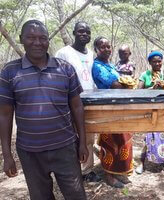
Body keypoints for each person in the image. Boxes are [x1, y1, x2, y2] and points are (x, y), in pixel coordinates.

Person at [0, 20, 88, 200]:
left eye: (43, 38)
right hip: (30, 152)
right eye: (31, 38)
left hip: (65, 147)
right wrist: (7, 155)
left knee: (76, 195)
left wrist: (82, 143)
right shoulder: (9, 72)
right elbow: (5, 114)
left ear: (48, 40)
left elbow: (77, 107)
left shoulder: (65, 68)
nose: (37, 42)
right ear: (21, 39)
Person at [55, 21, 100, 182]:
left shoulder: (89, 54)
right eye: (81, 31)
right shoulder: (63, 53)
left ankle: (87, 171)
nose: (84, 35)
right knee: (70, 138)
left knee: (87, 138)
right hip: (69, 103)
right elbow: (55, 78)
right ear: (74, 33)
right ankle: (71, 171)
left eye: (87, 32)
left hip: (89, 102)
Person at [92, 36, 133, 188]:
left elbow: (122, 81)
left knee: (121, 140)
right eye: (103, 47)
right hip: (107, 108)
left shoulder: (109, 65)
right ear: (96, 49)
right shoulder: (97, 66)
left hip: (119, 107)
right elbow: (115, 85)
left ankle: (118, 171)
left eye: (109, 47)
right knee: (109, 142)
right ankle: (108, 175)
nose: (107, 49)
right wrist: (130, 85)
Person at [135, 51, 164, 174]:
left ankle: (163, 160)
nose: (157, 63)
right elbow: (138, 91)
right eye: (154, 61)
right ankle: (142, 162)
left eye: (159, 61)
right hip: (148, 109)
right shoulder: (145, 75)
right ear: (150, 63)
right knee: (147, 136)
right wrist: (152, 88)